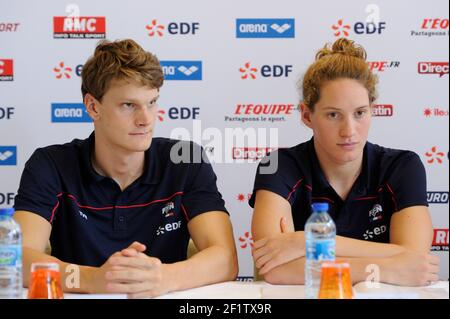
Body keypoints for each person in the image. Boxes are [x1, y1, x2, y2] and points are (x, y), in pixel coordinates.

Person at [14, 39, 238, 297]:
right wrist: (92, 279)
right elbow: (17, 259)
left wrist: (164, 278)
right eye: (129, 105)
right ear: (93, 106)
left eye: (152, 102)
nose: (146, 119)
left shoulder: (185, 160)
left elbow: (226, 259)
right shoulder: (51, 164)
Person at [250, 38, 440, 286]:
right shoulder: (277, 166)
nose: (349, 130)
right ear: (307, 115)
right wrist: (384, 268)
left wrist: (306, 243)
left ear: (372, 110)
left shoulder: (402, 166)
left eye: (360, 113)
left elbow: (415, 259)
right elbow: (274, 271)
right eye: (333, 115)